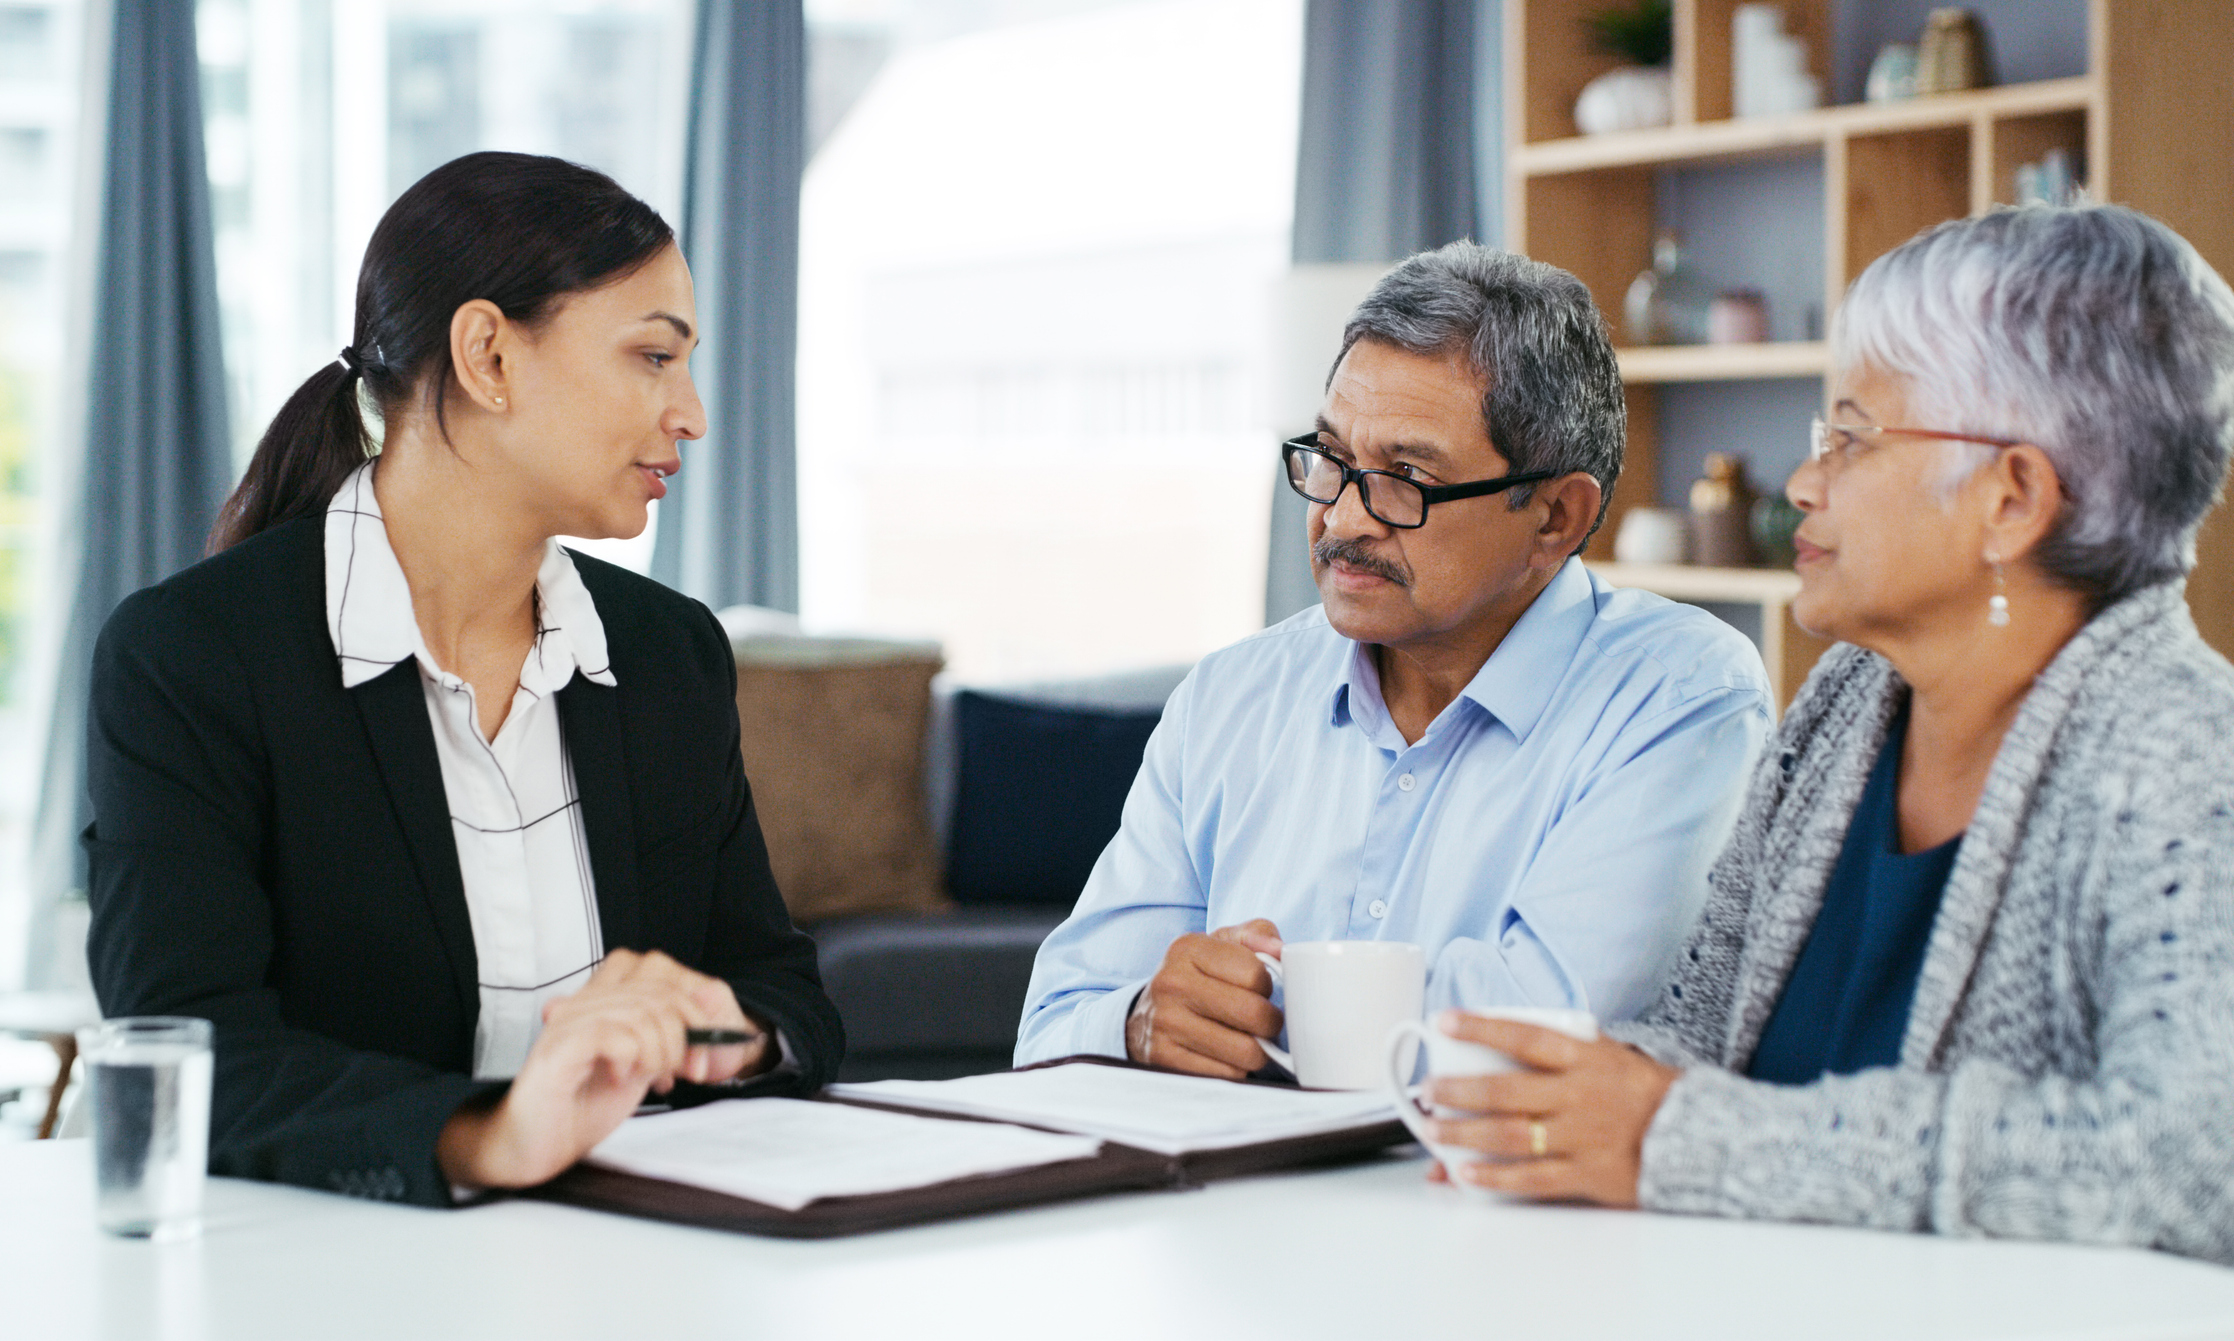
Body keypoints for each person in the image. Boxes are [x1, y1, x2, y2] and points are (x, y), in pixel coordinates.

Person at [1421, 204, 2234, 1264]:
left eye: (1850, 438)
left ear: (2010, 499)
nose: (1803, 481)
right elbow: (1697, 1035)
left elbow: (2191, 1165)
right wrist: (1543, 1103)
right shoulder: (1848, 701)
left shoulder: (2186, 758)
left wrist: (1681, 1139)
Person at [84, 152, 843, 1206]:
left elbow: (784, 995)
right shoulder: (192, 658)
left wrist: (719, 1031)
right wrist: (489, 1138)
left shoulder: (670, 654)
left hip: (643, 1268)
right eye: (651, 359)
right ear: (488, 354)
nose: (692, 415)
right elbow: (193, 1053)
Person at [1016, 243, 1772, 1076]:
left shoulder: (1681, 696)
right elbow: (1055, 1021)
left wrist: (1251, 1010)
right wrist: (1140, 1021)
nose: (1342, 519)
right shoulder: (1231, 695)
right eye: (1333, 459)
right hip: (1220, 1201)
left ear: (1556, 516)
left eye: (1405, 476)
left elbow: (1539, 1036)